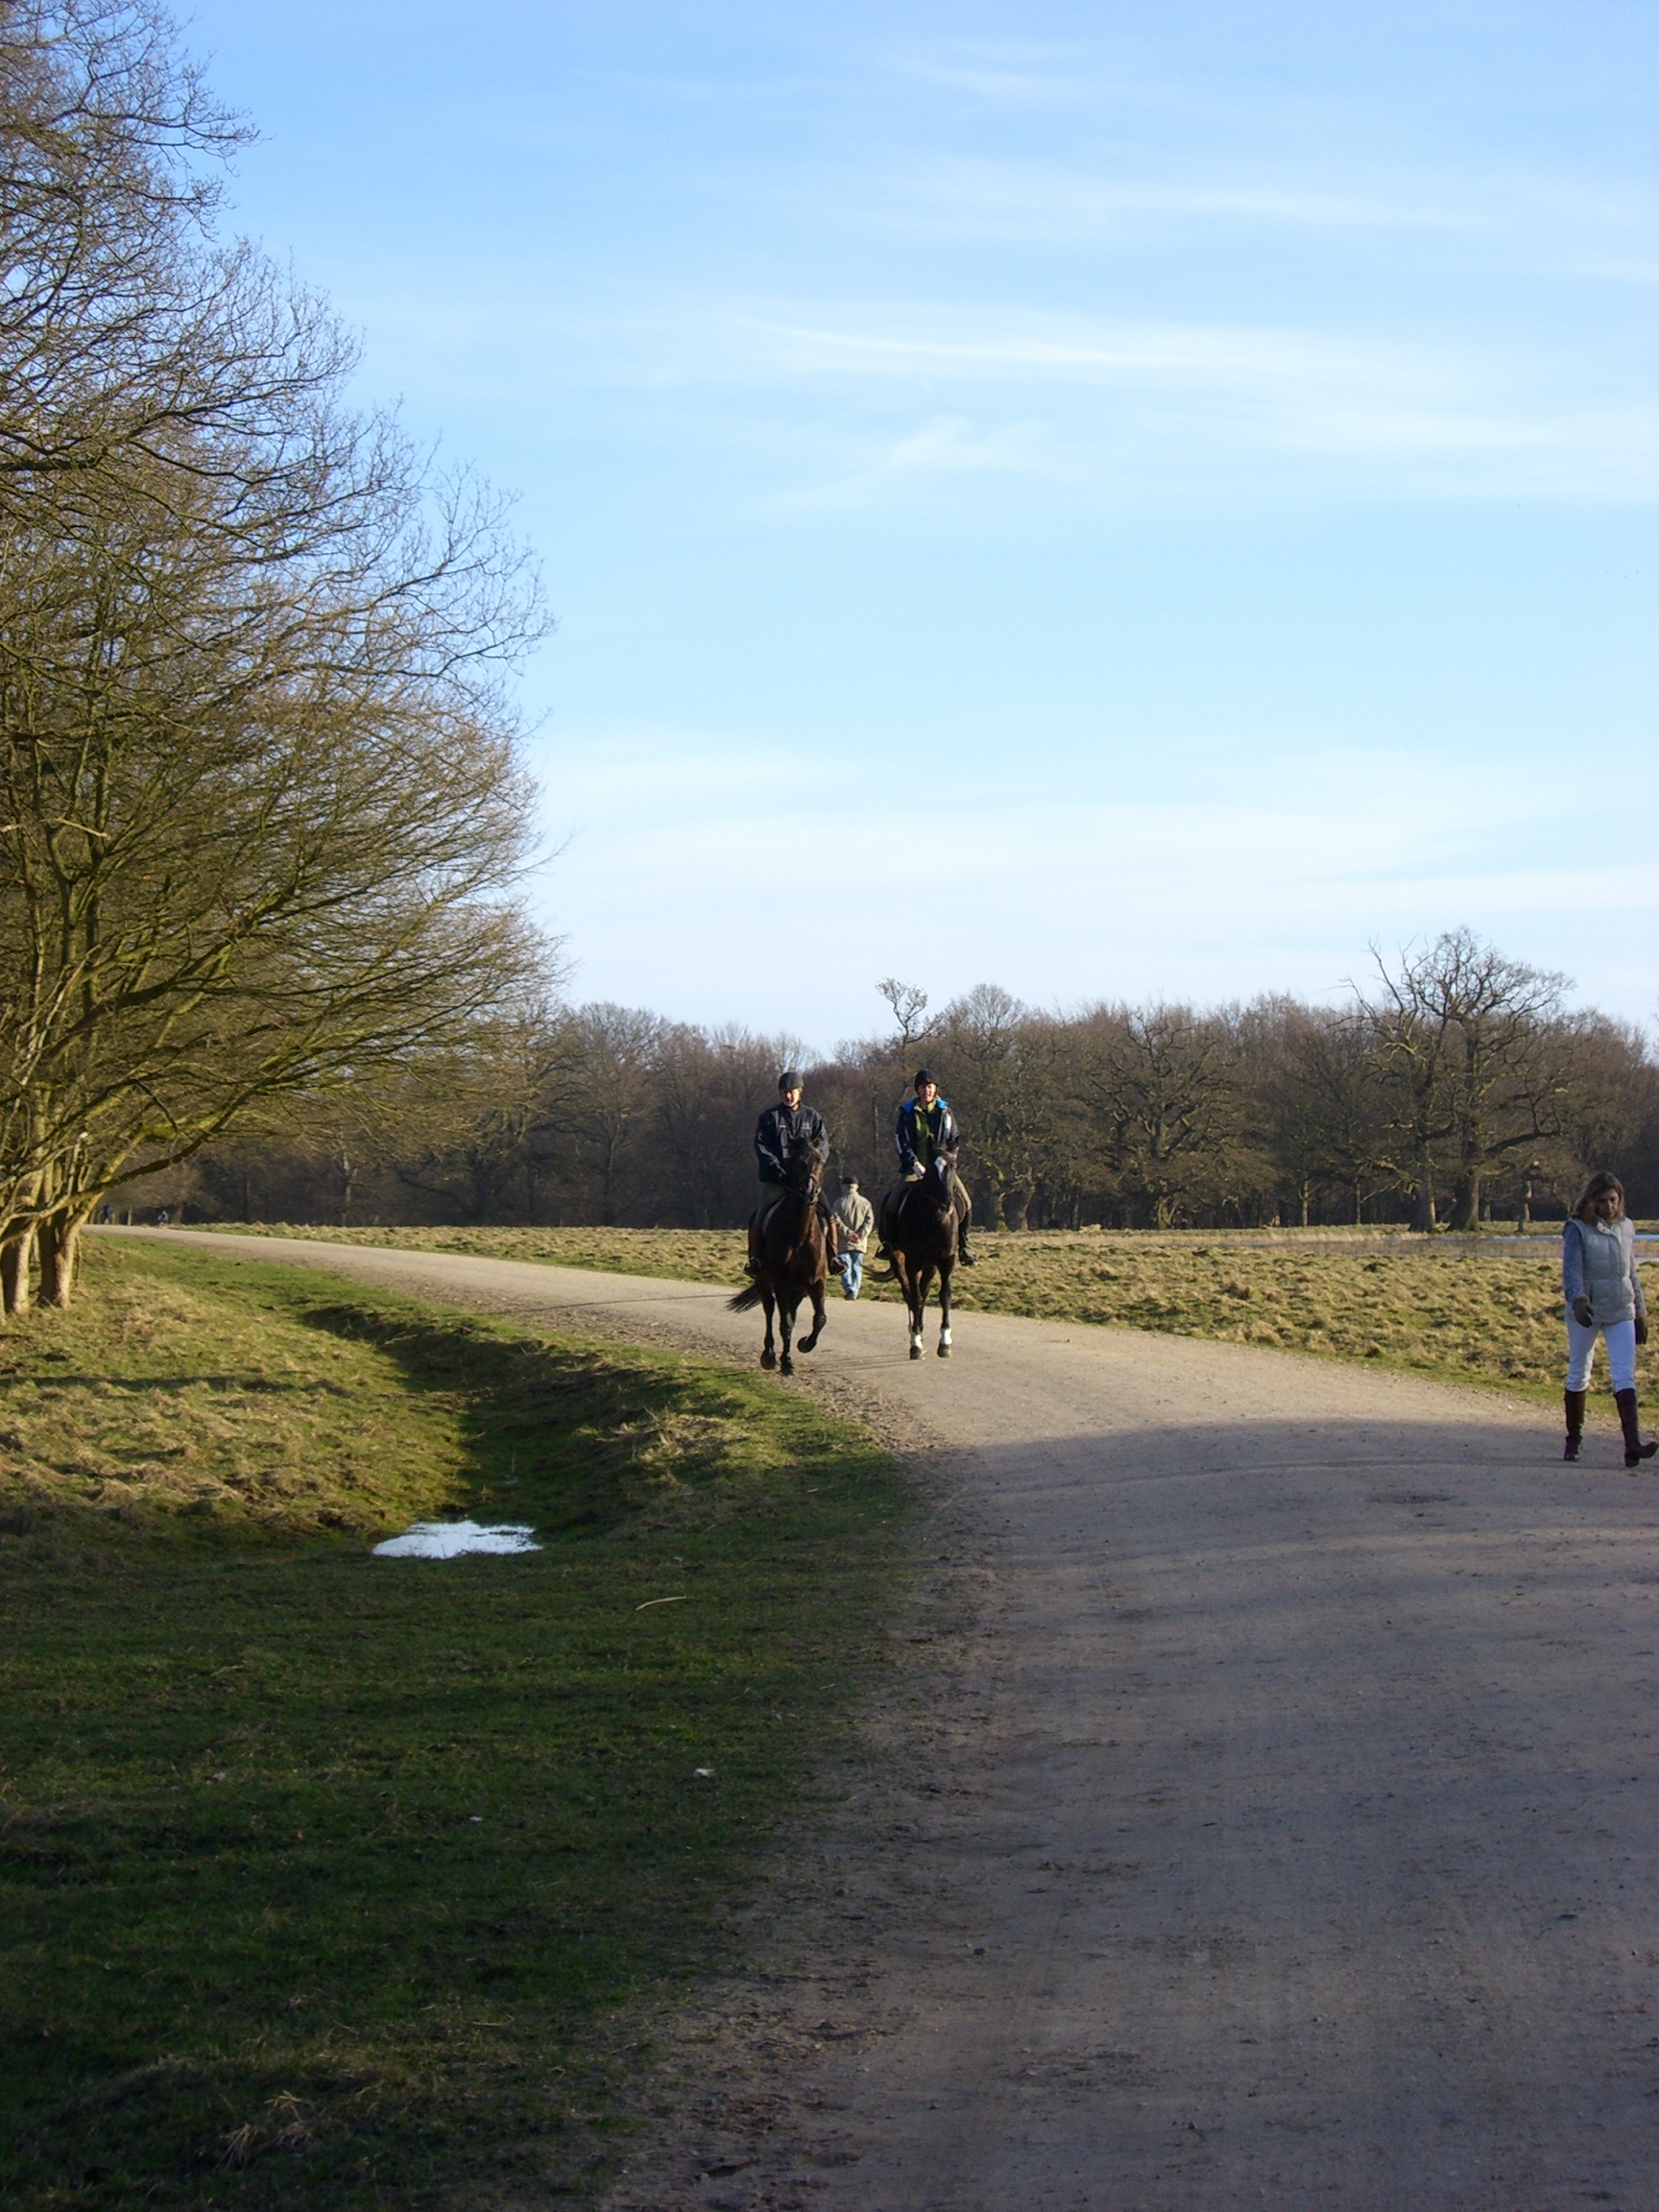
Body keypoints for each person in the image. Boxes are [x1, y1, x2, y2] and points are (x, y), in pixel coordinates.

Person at [1561, 1169, 1654, 1469]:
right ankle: (1573, 1439)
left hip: (1620, 1309)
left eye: (1613, 1200)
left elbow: (1631, 1272)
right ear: (1591, 1201)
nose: (1609, 1206)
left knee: (1624, 1374)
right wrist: (1578, 1299)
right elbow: (1572, 1270)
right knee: (1579, 1372)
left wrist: (1641, 1311)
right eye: (1602, 1201)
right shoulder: (1577, 1229)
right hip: (1587, 1311)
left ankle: (1632, 1445)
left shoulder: (1627, 1228)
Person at [881, 1067, 975, 1266]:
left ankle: (964, 1246)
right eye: (923, 1087)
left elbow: (954, 1139)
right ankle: (889, 1244)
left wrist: (949, 1159)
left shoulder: (945, 1112)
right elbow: (901, 1141)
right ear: (918, 1089)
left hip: (941, 1168)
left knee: (965, 1203)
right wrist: (914, 1164)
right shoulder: (906, 1113)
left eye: (930, 1087)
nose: (927, 1091)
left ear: (936, 1089)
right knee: (891, 1202)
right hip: (915, 1169)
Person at [748, 1070, 837, 1277]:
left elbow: (822, 1147)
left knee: (829, 1214)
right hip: (777, 1181)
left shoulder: (813, 1117)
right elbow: (761, 1146)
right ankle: (755, 1259)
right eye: (784, 1092)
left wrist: (814, 1170)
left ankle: (834, 1257)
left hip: (805, 1182)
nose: (788, 1096)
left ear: (800, 1092)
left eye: (792, 1092)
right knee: (760, 1217)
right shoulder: (769, 1118)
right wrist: (776, 1169)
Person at [830, 1174, 875, 1299]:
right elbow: (869, 1221)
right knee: (857, 1267)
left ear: (844, 1187)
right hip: (860, 1242)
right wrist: (860, 1235)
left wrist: (849, 1234)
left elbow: (835, 1221)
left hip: (844, 1242)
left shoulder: (839, 1203)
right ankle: (854, 1291)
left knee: (845, 1266)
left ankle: (850, 1288)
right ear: (857, 1187)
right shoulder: (865, 1203)